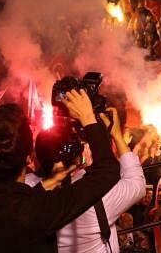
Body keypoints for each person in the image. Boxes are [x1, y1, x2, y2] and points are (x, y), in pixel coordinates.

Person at [0, 90, 121, 253]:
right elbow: (107, 171)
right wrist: (88, 118)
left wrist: (51, 182)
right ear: (28, 158)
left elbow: (9, 203)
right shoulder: (36, 211)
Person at [25, 106, 146, 253]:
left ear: (36, 156)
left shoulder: (23, 191)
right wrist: (116, 134)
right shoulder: (98, 192)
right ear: (76, 158)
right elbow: (137, 184)